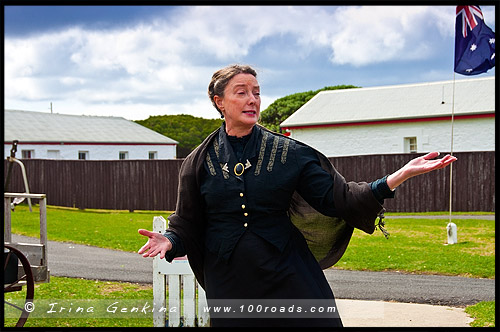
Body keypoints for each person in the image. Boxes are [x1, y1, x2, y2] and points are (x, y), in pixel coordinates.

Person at [138, 64, 457, 327]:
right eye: (242, 92)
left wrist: (397, 176)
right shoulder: (199, 161)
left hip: (287, 271)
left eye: (257, 93)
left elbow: (338, 198)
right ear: (219, 100)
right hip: (230, 278)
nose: (252, 100)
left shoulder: (287, 153)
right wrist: (170, 240)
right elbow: (187, 222)